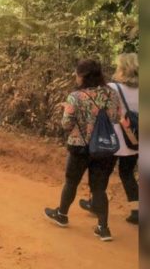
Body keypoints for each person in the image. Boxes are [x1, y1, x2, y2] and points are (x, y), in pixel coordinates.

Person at [44, 59, 122, 241]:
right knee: (99, 188)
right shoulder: (111, 93)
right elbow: (117, 118)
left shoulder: (75, 96)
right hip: (104, 147)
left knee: (71, 182)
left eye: (77, 73)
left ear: (83, 76)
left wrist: (67, 110)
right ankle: (103, 228)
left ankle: (62, 215)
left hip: (80, 146)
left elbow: (66, 124)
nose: (75, 77)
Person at [78, 53, 139, 225]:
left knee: (101, 174)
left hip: (113, 140)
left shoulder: (112, 88)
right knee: (127, 174)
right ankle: (137, 211)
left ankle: (95, 204)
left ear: (123, 69)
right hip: (134, 140)